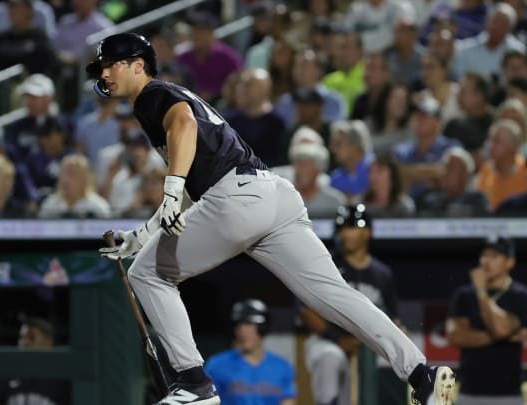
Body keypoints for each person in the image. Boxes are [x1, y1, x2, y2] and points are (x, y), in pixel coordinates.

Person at [89, 32, 455, 405]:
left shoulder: (151, 94)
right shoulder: (171, 97)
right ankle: (420, 372)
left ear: (138, 65)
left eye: (110, 64)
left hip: (236, 199)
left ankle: (194, 384)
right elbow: (191, 179)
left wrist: (168, 189)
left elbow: (184, 125)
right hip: (273, 195)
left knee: (147, 273)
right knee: (334, 294)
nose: (103, 73)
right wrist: (145, 232)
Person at [300, 204, 403, 405]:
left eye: (351, 228)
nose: (346, 234)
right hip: (328, 340)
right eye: (343, 229)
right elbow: (306, 311)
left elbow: (394, 318)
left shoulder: (382, 275)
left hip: (367, 349)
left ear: (367, 232)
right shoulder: (326, 263)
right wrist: (339, 339)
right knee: (329, 357)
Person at [446, 236, 527, 405]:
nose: (485, 261)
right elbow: (456, 337)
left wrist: (482, 292)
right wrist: (503, 336)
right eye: (484, 255)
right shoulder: (464, 295)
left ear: (510, 262)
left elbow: (499, 330)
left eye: (494, 256)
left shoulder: (520, 295)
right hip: (469, 394)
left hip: (509, 396)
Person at [205, 299, 297, 405]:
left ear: (263, 328)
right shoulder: (217, 365)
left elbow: (288, 401)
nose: (242, 330)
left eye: (248, 324)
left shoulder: (282, 367)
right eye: (238, 325)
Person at [1, 317, 69, 405]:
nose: (24, 342)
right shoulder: (8, 375)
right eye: (22, 337)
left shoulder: (62, 379)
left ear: (48, 342)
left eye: (31, 338)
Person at [415, 146, 489, 217]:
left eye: (451, 168)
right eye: (445, 167)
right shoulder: (430, 200)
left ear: (465, 175)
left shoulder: (476, 200)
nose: (445, 172)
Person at [474, 118, 527, 211]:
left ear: (513, 146)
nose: (491, 145)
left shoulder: (524, 169)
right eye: (490, 140)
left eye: (497, 141)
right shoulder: (486, 169)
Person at [291, 142, 346, 218]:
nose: (298, 171)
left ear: (318, 170)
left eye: (304, 165)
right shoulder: (286, 199)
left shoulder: (334, 201)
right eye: (297, 165)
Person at [361, 152, 416, 217]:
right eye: (371, 171)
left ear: (392, 175)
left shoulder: (404, 206)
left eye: (379, 171)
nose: (372, 176)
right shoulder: (361, 204)